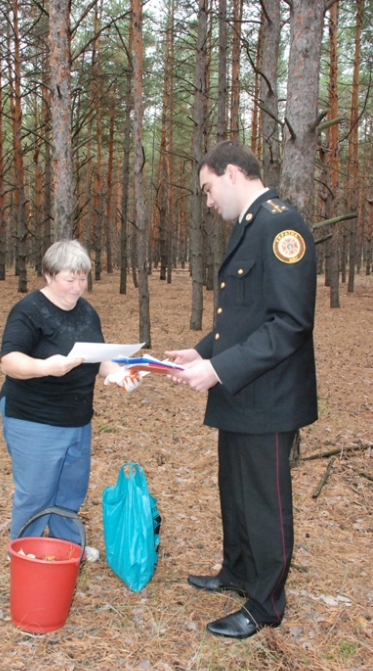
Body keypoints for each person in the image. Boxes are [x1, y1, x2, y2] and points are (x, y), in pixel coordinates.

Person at [166, 140, 317, 639]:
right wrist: (203, 352)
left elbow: (288, 324)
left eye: (208, 190)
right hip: (238, 390)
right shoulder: (250, 226)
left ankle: (266, 601)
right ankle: (237, 570)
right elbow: (243, 316)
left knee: (264, 500)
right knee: (235, 491)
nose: (207, 202)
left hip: (268, 395)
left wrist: (219, 369)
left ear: (232, 174)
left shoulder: (280, 224)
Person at [0, 239, 142, 547]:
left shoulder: (86, 311)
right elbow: (9, 361)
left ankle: (66, 549)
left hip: (77, 420)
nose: (77, 287)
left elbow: (97, 357)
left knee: (70, 491)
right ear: (49, 276)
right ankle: (26, 555)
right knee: (35, 494)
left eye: (82, 278)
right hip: (34, 418)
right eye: (69, 279)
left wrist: (118, 372)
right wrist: (45, 366)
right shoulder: (29, 310)